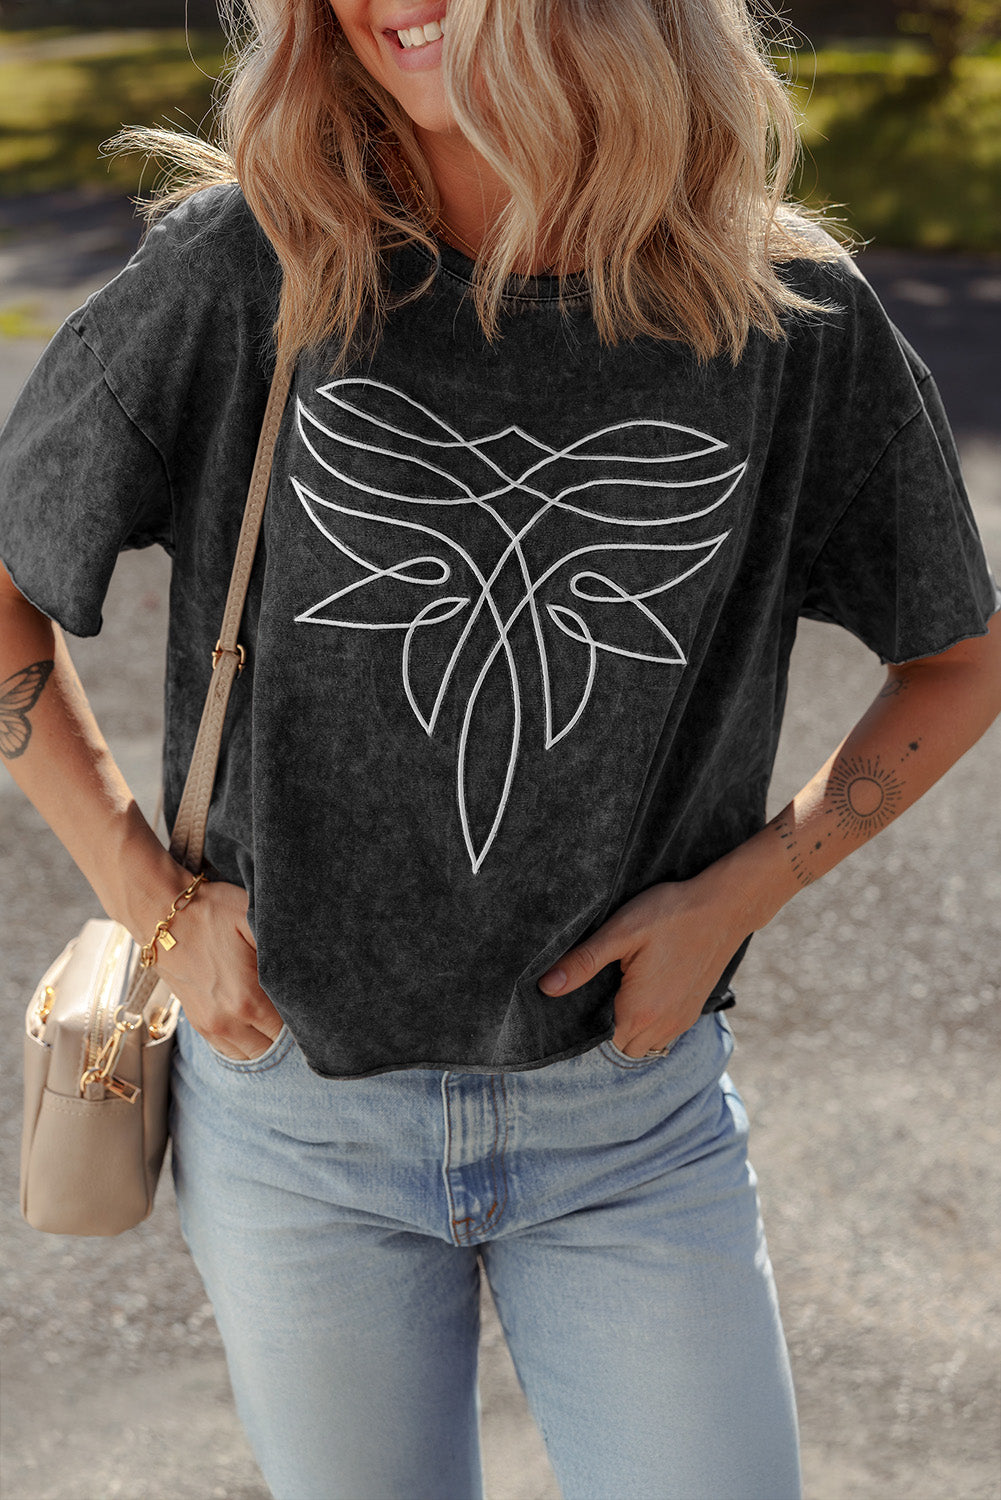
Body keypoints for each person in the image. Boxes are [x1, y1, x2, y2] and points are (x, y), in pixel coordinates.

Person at [1, 2, 998, 1496]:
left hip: (631, 1121)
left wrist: (738, 897)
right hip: (297, 1121)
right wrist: (153, 902)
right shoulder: (247, 270)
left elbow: (959, 657)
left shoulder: (780, 314)